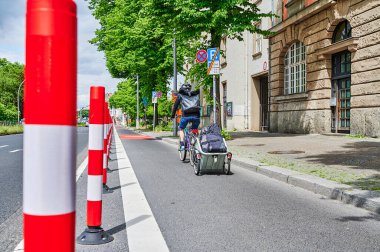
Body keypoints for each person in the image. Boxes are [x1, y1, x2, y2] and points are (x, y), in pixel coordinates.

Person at [171, 83, 201, 150]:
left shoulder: (180, 95)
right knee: (195, 129)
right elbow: (198, 105)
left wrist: (172, 115)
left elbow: (175, 106)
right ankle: (195, 142)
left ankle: (182, 144)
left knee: (181, 128)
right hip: (196, 116)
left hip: (186, 115)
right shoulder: (195, 95)